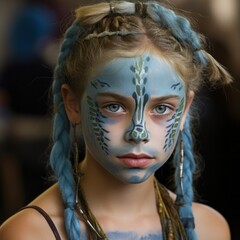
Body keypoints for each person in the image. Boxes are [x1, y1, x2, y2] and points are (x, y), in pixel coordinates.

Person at [0, 1, 233, 239]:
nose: (138, 133)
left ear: (185, 111)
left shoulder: (209, 229)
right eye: (114, 106)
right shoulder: (31, 233)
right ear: (72, 104)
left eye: (162, 108)